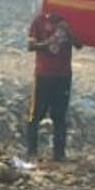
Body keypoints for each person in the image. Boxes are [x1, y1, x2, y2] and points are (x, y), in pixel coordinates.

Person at [25, 12, 81, 161]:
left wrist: (68, 30)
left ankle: (59, 154)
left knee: (59, 117)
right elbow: (31, 46)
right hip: (43, 75)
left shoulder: (68, 20)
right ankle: (31, 152)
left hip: (63, 76)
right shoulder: (39, 20)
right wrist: (48, 43)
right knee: (35, 115)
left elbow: (79, 45)